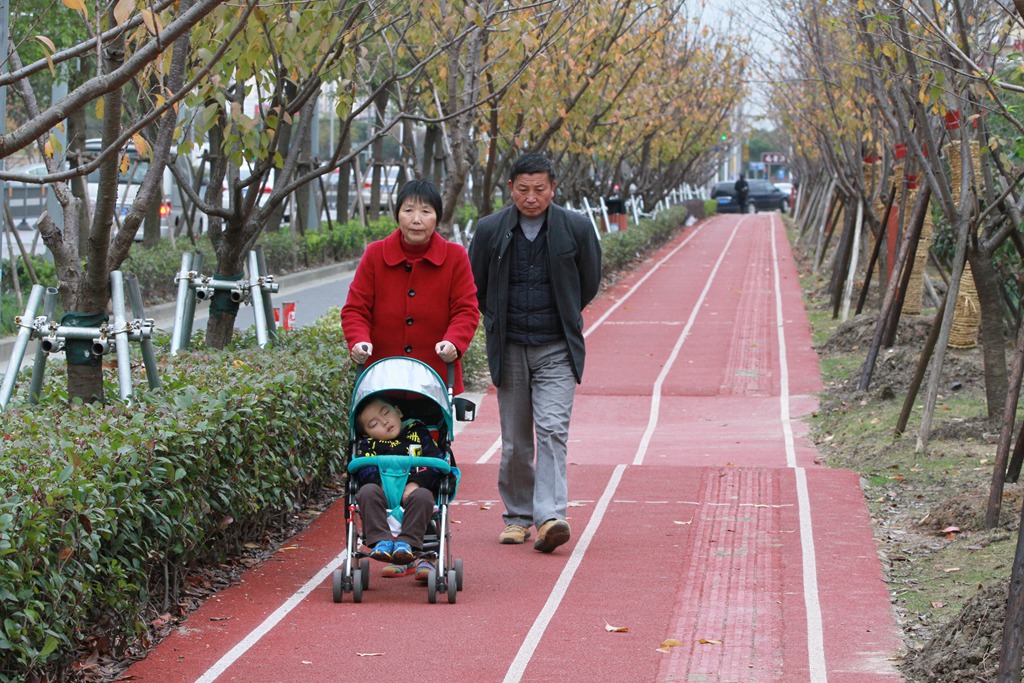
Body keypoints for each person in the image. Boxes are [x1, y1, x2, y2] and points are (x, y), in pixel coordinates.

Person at [342, 178, 479, 576]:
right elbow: (355, 309)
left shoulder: (454, 257)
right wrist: (359, 342)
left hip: (431, 380)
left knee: (426, 462)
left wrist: (454, 343)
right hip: (382, 380)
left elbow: (467, 310)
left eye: (426, 211)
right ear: (396, 213)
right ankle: (385, 539)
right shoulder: (374, 256)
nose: (416, 219)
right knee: (375, 460)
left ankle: (421, 547)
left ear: (438, 216)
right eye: (408, 210)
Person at [468, 152, 602, 553]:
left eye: (539, 189)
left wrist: (563, 315)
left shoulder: (575, 228)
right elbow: (477, 283)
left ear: (553, 188)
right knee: (515, 442)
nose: (531, 197)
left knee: (553, 430)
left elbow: (589, 280)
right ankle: (517, 517)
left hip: (556, 349)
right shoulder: (491, 230)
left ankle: (550, 516)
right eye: (523, 189)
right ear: (510, 188)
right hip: (509, 348)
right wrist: (496, 321)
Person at [352, 397, 444, 582]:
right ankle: (382, 542)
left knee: (424, 497)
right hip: (382, 493)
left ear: (399, 412)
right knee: (366, 492)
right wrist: (379, 484)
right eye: (374, 423)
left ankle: (410, 547)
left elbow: (437, 462)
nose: (384, 422)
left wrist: (416, 482)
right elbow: (364, 470)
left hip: (415, 492)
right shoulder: (369, 445)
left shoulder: (418, 433)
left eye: (386, 413)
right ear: (367, 433)